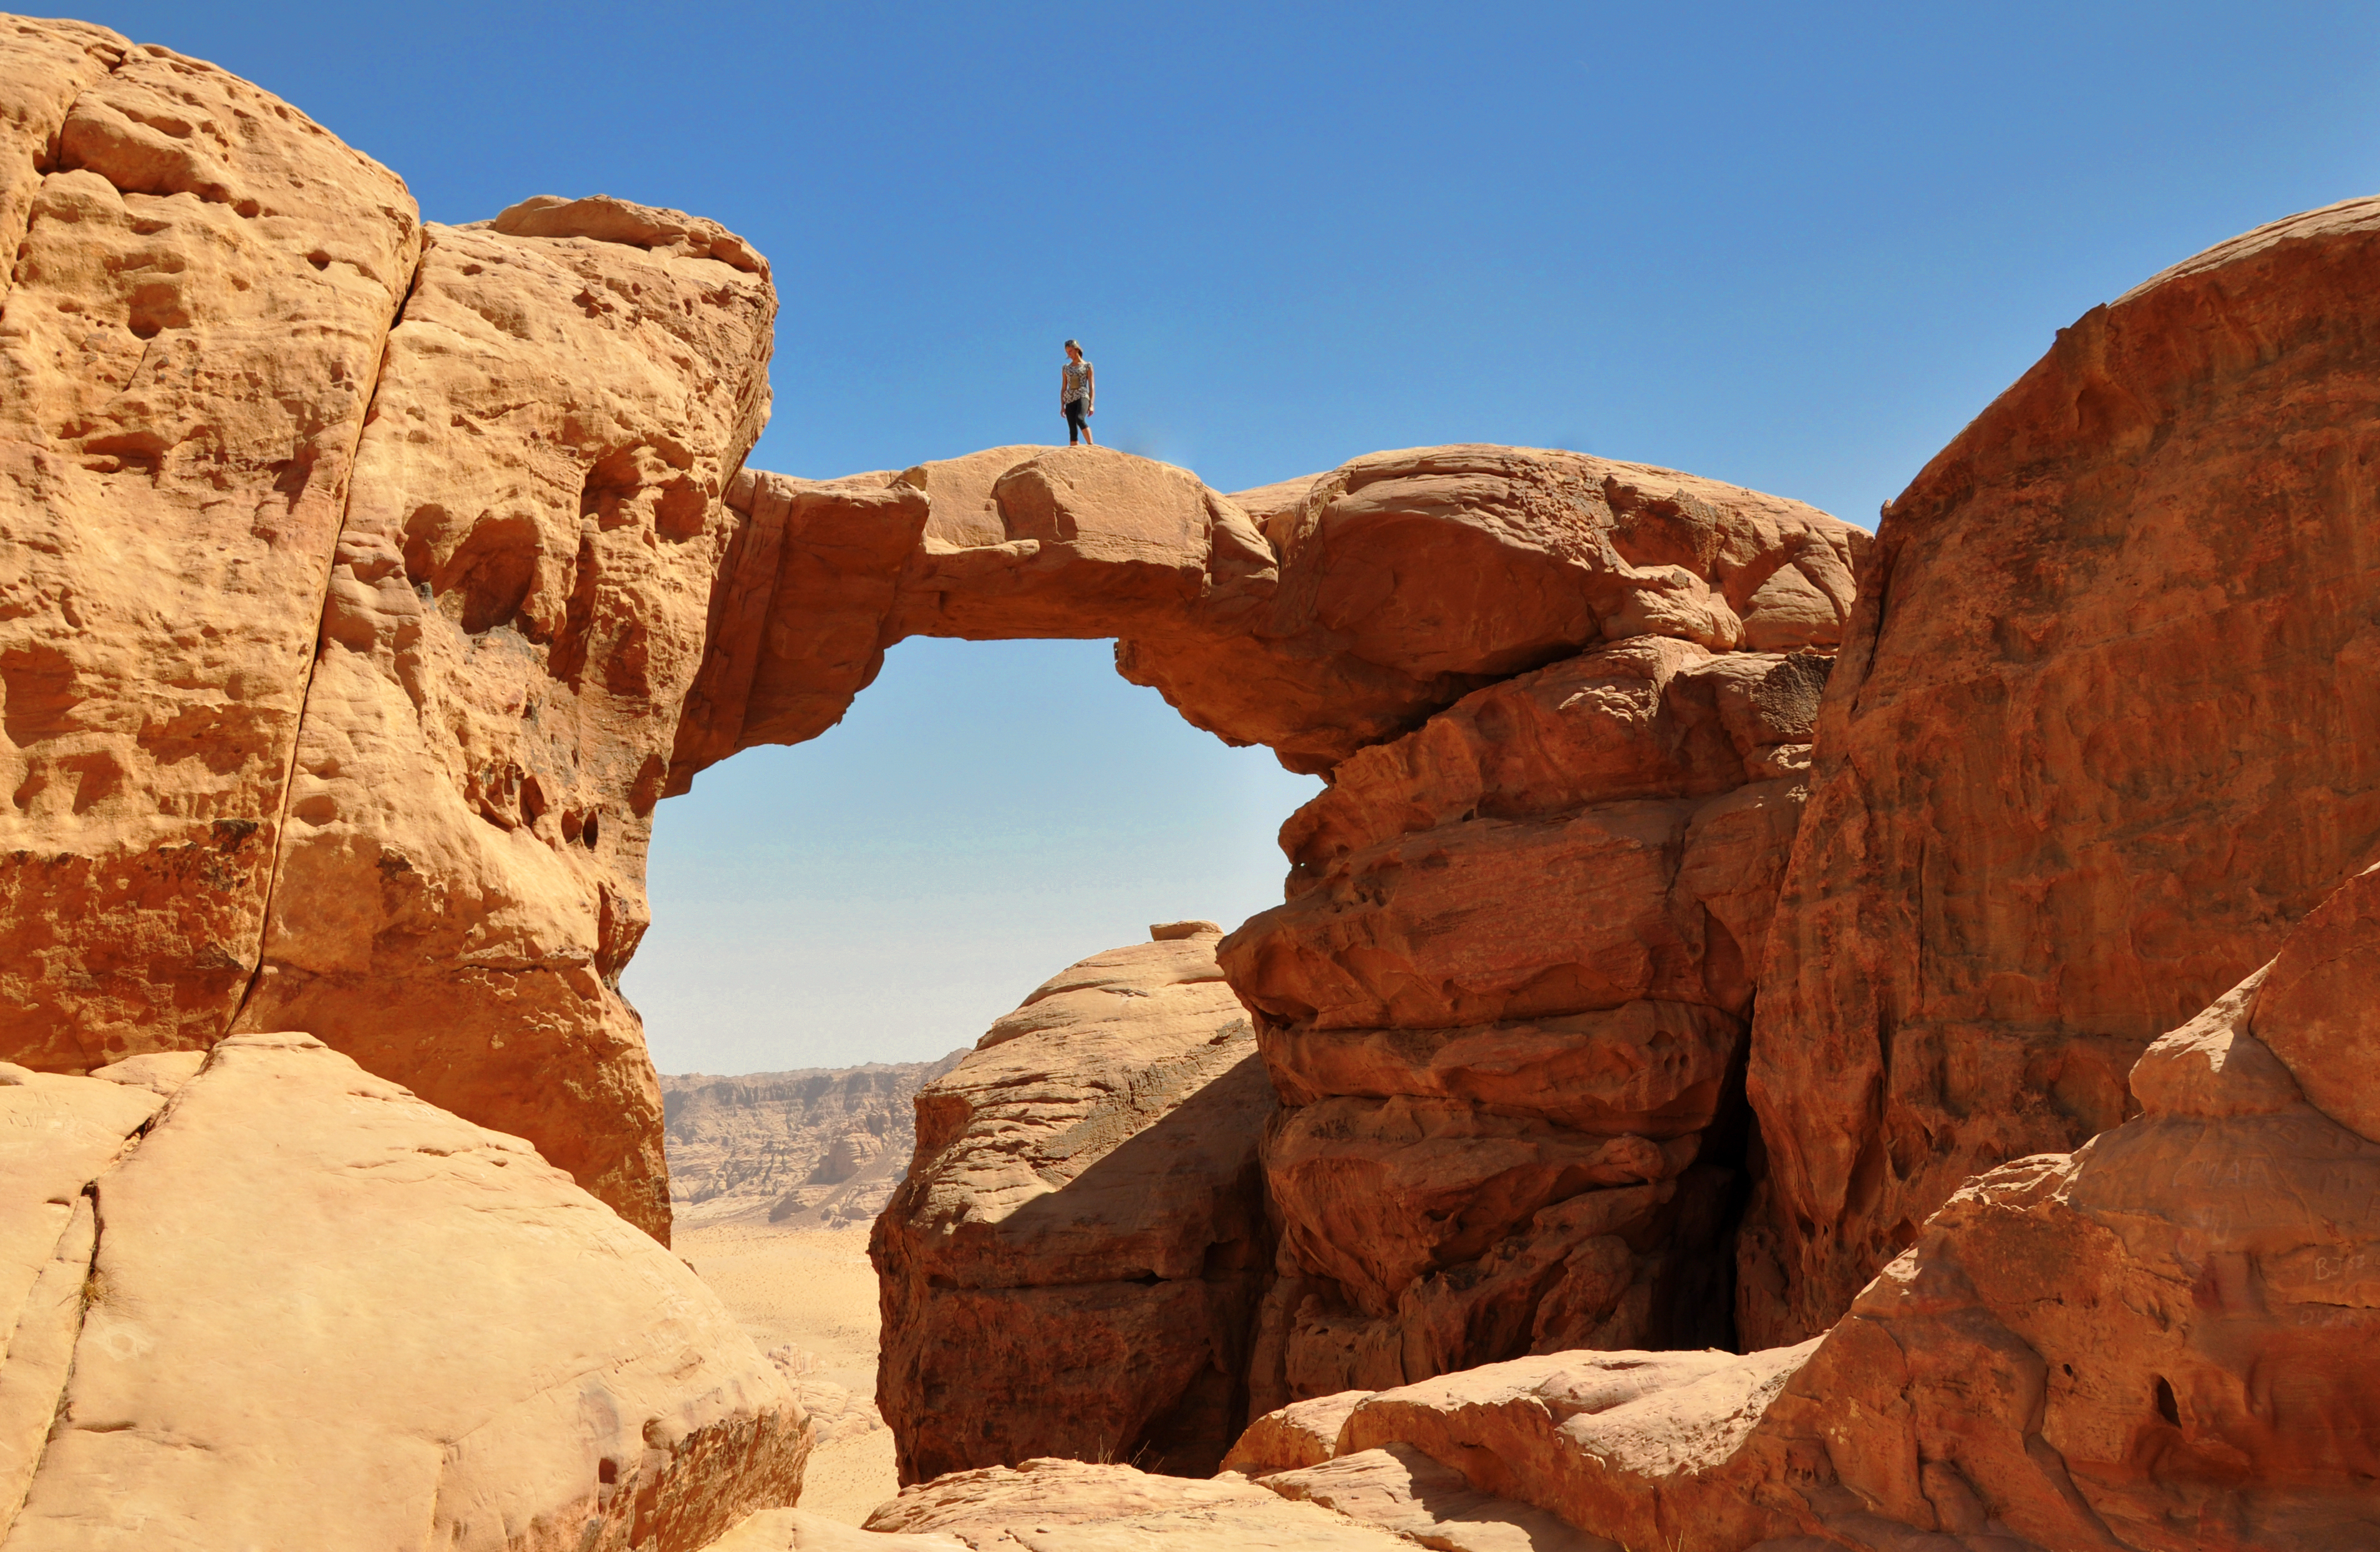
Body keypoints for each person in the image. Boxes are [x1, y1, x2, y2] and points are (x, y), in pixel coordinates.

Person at [1060, 339, 1095, 445]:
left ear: (1077, 350)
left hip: (1082, 395)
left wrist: (1091, 404)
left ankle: (1091, 445)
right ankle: (1074, 452)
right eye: (1067, 352)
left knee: (1080, 418)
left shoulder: (1087, 366)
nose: (1069, 354)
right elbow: (1064, 387)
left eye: (1070, 351)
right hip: (1070, 397)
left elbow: (1091, 386)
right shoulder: (1066, 368)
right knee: (1072, 426)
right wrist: (1062, 405)